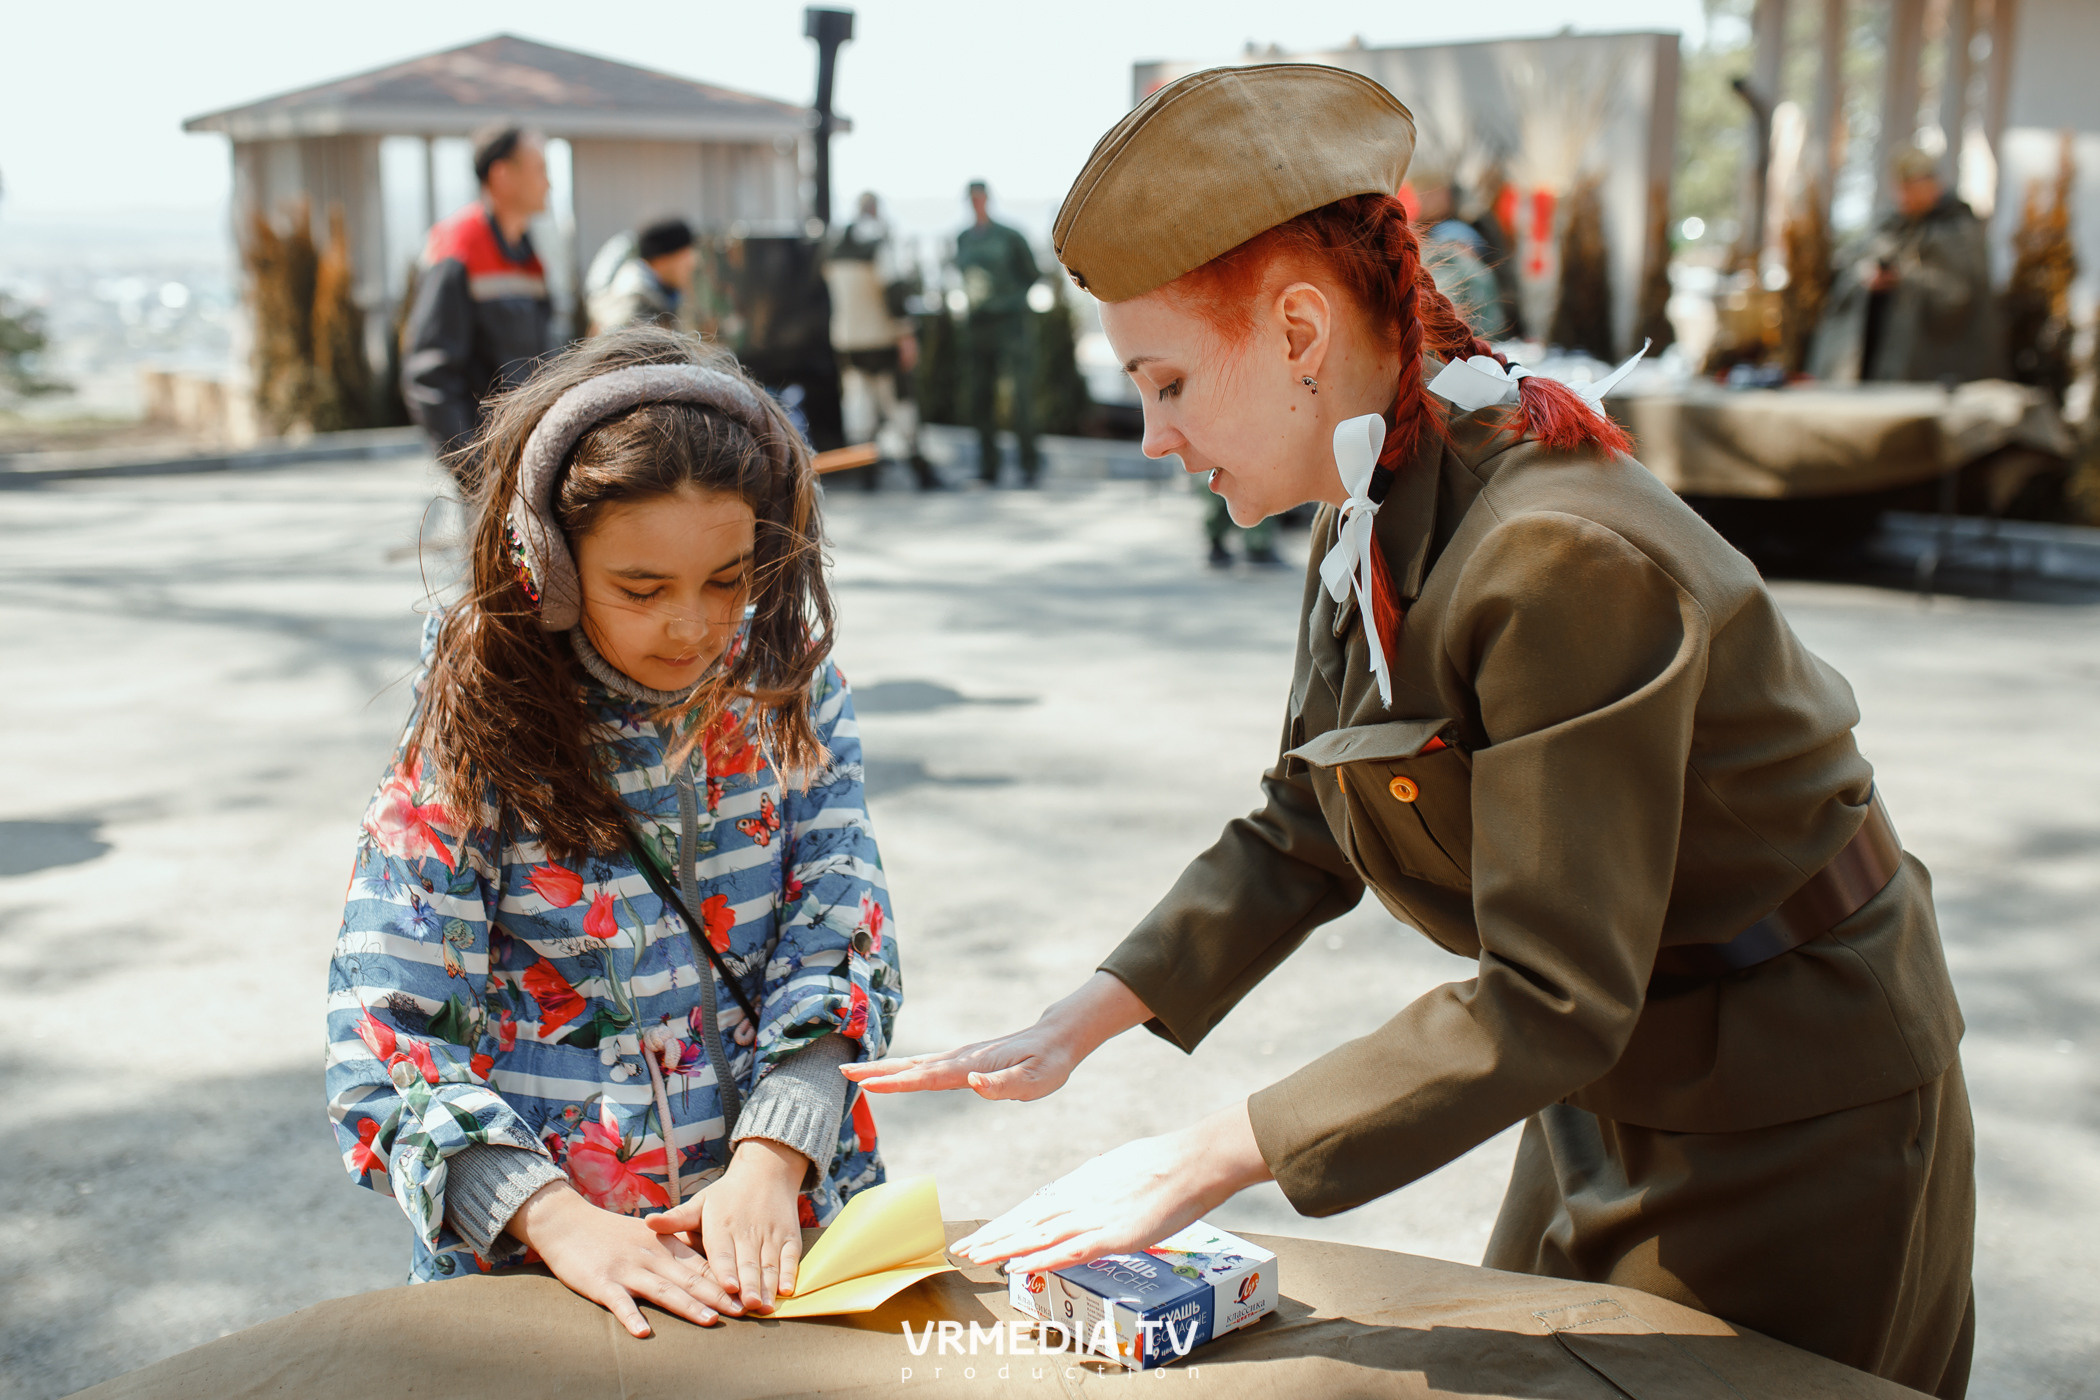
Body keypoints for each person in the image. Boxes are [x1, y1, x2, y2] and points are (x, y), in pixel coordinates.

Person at [847, 65, 1974, 1398]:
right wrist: (1078, 1023)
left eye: (1165, 384)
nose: (1155, 438)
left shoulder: (1549, 549)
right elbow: (1307, 817)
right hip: (1611, 1077)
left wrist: (1199, 1155)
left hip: (1791, 1104)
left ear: (1299, 333)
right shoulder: (1375, 481)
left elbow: (1554, 990)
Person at [328, 327, 902, 1336]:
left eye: (729, 578)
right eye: (641, 588)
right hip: (547, 1276)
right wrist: (550, 1217)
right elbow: (387, 1027)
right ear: (544, 562)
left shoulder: (787, 688)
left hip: (776, 1239)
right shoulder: (475, 721)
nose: (692, 625)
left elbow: (841, 931)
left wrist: (775, 1154)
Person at [401, 125, 557, 486]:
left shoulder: (528, 255)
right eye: (540, 170)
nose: (549, 183)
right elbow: (429, 377)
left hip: (529, 465)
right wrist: (477, 472)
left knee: (530, 547)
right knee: (507, 547)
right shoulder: (458, 248)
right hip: (491, 477)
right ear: (502, 176)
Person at [1809, 145, 2003, 385]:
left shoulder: (1957, 230)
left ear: (1934, 185)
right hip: (1872, 358)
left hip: (1930, 367)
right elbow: (1848, 270)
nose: (1906, 196)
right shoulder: (1888, 225)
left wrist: (1905, 278)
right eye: (1901, 188)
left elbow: (1957, 295)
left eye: (1913, 187)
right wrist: (1866, 275)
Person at [822, 193, 937, 490]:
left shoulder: (833, 247)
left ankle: (866, 475)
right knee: (899, 402)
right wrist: (906, 335)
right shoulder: (880, 243)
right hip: (880, 338)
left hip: (847, 339)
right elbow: (894, 290)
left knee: (858, 402)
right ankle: (921, 470)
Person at [954, 180, 1041, 486]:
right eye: (971, 199)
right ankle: (988, 465)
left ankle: (1029, 464)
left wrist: (1009, 299)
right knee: (981, 396)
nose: (976, 203)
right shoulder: (963, 238)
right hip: (978, 325)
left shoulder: (1009, 235)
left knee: (1019, 397)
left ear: (988, 199)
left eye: (980, 198)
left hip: (1010, 323)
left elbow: (1032, 274)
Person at [1410, 166, 1510, 341]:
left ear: (1445, 192)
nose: (1423, 198)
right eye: (1420, 192)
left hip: (1471, 333)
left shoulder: (1463, 230)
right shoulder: (1417, 231)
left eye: (1430, 191)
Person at [587, 217, 698, 335]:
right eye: (686, 257)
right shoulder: (633, 307)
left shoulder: (662, 297)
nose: (693, 263)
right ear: (662, 259)